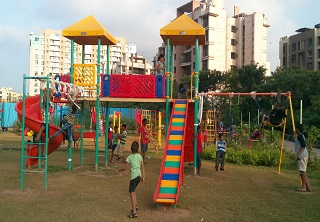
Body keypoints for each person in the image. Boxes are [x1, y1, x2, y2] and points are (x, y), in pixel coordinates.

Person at [114, 141, 145, 218]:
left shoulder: (129, 157)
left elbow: (125, 168)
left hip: (134, 177)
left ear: (131, 149)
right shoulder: (140, 156)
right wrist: (143, 177)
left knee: (131, 193)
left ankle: (134, 212)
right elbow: (143, 167)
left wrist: (118, 170)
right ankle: (136, 205)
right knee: (133, 191)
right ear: (138, 149)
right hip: (139, 176)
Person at [295, 124, 312, 192]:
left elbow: (303, 146)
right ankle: (308, 187)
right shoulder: (300, 136)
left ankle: (304, 187)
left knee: (302, 171)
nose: (295, 130)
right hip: (303, 155)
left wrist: (299, 155)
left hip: (302, 156)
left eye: (296, 129)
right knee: (302, 171)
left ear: (298, 130)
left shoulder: (300, 136)